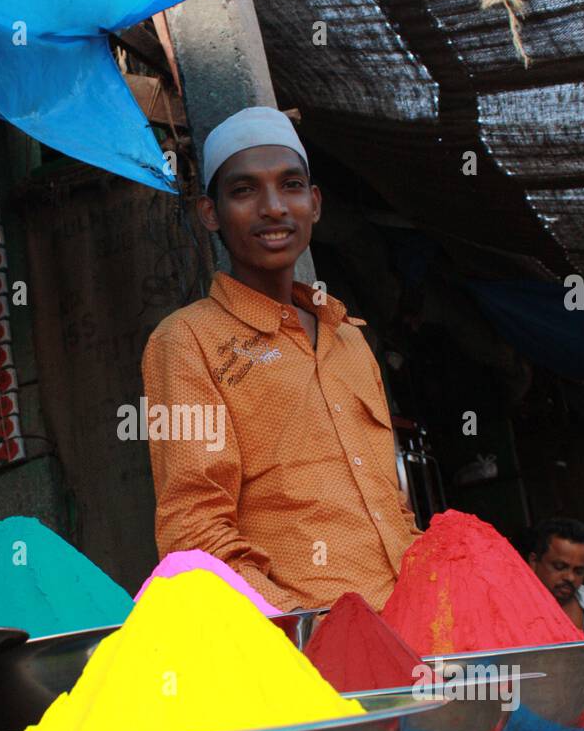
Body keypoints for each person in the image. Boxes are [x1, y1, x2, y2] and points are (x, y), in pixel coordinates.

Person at [140, 105, 419, 613]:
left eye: (290, 186)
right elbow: (194, 529)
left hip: (410, 630)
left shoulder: (349, 339)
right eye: (245, 190)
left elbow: (394, 510)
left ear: (314, 203)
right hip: (302, 650)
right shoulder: (185, 342)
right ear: (211, 213)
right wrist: (299, 628)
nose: (273, 207)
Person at [527, 517, 584, 638]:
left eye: (578, 571)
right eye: (559, 567)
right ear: (534, 561)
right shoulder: (509, 609)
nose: (570, 577)